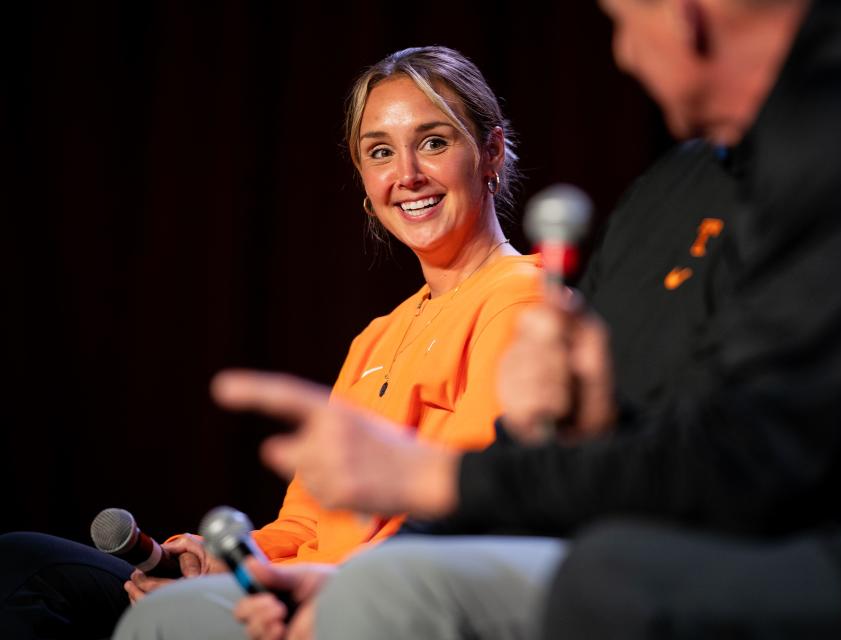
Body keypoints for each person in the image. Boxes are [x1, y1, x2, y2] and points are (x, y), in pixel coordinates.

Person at [164, 0, 841, 638]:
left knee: (594, 578)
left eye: (618, 21)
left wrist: (421, 492)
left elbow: (763, 449)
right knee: (164, 610)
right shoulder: (672, 192)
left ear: (682, 15)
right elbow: (678, 427)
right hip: (705, 516)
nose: (621, 54)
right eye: (378, 152)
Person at [0, 45, 543, 640]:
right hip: (290, 584)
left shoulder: (524, 300)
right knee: (26, 567)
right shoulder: (378, 337)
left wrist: (266, 584)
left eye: (434, 142)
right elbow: (307, 523)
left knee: (164, 618)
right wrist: (223, 559)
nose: (407, 174)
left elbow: (457, 513)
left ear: (489, 152)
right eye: (380, 152)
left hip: (370, 600)